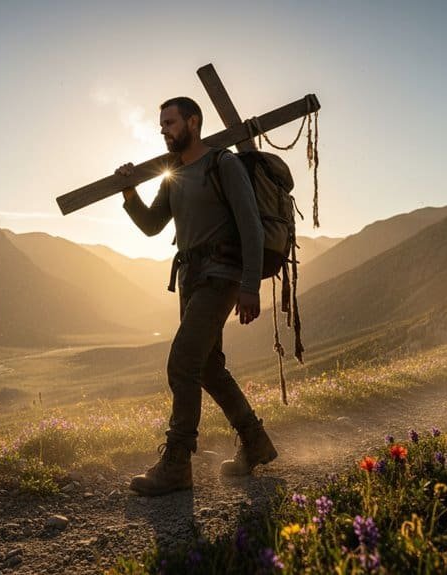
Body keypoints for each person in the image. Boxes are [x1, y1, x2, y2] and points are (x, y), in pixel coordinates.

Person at [116, 96, 277, 496]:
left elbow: (251, 227)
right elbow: (153, 226)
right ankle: (255, 442)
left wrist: (250, 285)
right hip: (189, 279)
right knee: (206, 367)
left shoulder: (223, 164)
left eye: (170, 122)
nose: (164, 130)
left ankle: (177, 464)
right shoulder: (173, 175)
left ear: (193, 121)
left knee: (182, 362)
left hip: (221, 276)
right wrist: (130, 194)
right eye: (161, 125)